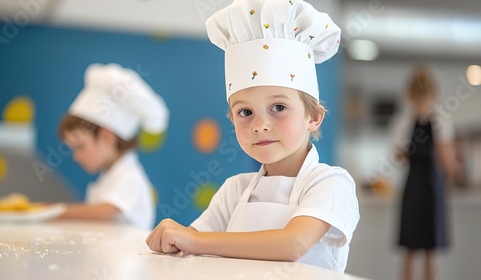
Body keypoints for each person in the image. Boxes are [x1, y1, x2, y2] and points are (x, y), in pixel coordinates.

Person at [146, 0, 359, 272]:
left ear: (314, 116)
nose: (259, 125)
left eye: (278, 107)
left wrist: (195, 240)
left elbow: (293, 244)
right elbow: (191, 244)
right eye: (245, 112)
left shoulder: (330, 183)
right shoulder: (234, 191)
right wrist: (172, 239)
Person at [57, 63, 169, 229]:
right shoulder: (109, 175)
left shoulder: (129, 175)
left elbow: (105, 211)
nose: (75, 156)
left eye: (80, 146)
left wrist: (54, 211)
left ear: (106, 137)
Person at [393, 64, 460, 280]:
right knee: (430, 251)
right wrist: (457, 170)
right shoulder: (441, 120)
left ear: (409, 94)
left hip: (413, 188)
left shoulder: (403, 121)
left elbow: (399, 157)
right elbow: (445, 159)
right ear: (434, 92)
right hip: (432, 189)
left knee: (410, 251)